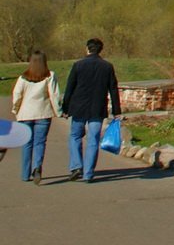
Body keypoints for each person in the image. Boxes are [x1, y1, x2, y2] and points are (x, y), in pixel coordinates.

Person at [61, 38, 121, 183]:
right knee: (93, 140)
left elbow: (70, 88)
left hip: (78, 107)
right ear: (100, 50)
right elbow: (113, 89)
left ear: (87, 48)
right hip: (97, 108)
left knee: (75, 136)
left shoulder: (78, 65)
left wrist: (65, 108)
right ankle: (88, 173)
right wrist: (116, 110)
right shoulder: (107, 67)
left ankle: (76, 166)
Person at [11, 50, 61, 184]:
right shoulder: (50, 76)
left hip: (25, 114)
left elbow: (17, 96)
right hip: (43, 113)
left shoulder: (23, 77)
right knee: (39, 142)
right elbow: (54, 95)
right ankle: (37, 167)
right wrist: (59, 111)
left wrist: (15, 110)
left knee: (27, 144)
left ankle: (25, 173)